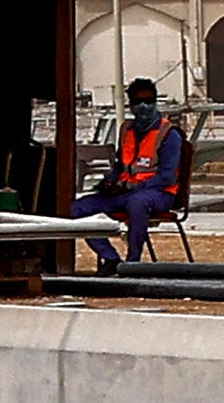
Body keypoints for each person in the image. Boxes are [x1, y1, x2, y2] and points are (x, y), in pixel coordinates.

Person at [73, 77, 191, 270]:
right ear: (131, 106)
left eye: (149, 101)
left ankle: (133, 262)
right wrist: (109, 183)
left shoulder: (169, 134)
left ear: (155, 102)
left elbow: (167, 176)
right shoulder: (126, 130)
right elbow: (121, 165)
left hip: (159, 193)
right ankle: (111, 259)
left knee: (138, 203)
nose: (144, 107)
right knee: (79, 208)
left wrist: (134, 187)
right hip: (126, 192)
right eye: (138, 102)